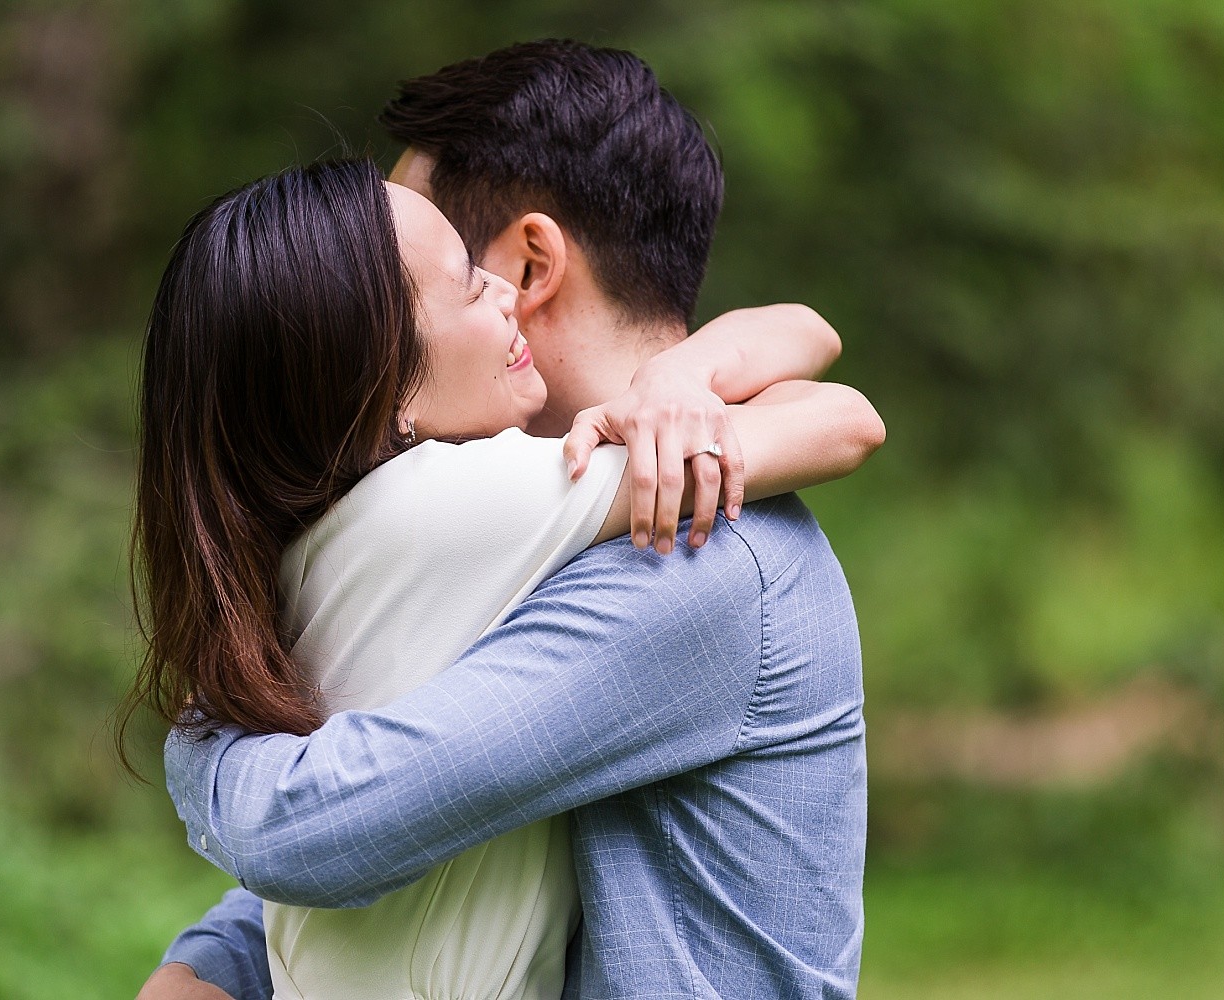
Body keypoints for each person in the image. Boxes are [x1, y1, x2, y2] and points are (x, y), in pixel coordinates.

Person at [141, 40, 879, 1000]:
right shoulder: (494, 537)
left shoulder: (694, 548)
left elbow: (324, 824)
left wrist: (197, 736)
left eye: (442, 253)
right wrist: (221, 957)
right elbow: (442, 774)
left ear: (529, 265)